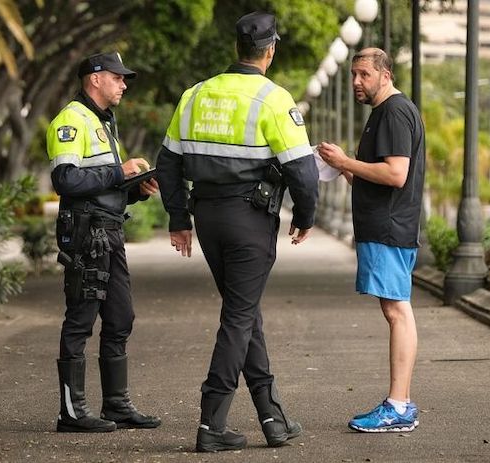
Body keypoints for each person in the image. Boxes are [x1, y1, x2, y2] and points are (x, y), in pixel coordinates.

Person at [155, 12, 319, 452]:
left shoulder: (195, 95)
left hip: (207, 217)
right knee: (239, 317)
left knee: (245, 313)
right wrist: (305, 216)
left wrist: (177, 218)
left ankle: (273, 418)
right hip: (250, 220)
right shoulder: (273, 98)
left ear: (236, 49)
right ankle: (211, 424)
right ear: (270, 51)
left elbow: (167, 162)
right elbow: (302, 171)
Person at [47, 51, 161, 433]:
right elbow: (65, 181)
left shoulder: (104, 123)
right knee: (80, 318)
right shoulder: (71, 120)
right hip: (85, 233)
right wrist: (118, 172)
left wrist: (136, 189)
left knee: (120, 316)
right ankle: (71, 413)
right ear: (95, 79)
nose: (124, 84)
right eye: (118, 78)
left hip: (109, 229)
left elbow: (105, 188)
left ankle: (116, 405)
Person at [317, 47, 425, 433]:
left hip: (389, 228)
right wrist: (340, 166)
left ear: (386, 74)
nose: (356, 82)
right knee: (396, 310)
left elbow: (396, 174)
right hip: (385, 226)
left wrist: (346, 161)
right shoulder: (384, 114)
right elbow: (374, 178)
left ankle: (398, 406)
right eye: (353, 75)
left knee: (397, 311)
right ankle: (402, 404)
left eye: (364, 74)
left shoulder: (394, 112)